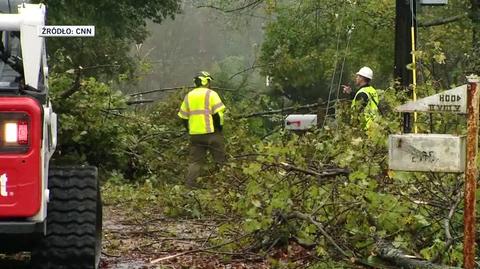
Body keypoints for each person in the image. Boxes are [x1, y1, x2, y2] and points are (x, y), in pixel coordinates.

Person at [178, 71, 226, 188]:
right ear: (206, 81)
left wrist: (189, 129)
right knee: (220, 160)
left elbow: (183, 117)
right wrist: (219, 129)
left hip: (195, 135)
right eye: (209, 81)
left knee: (195, 162)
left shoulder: (188, 96)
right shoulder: (211, 94)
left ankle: (190, 187)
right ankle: (225, 185)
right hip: (212, 133)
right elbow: (218, 114)